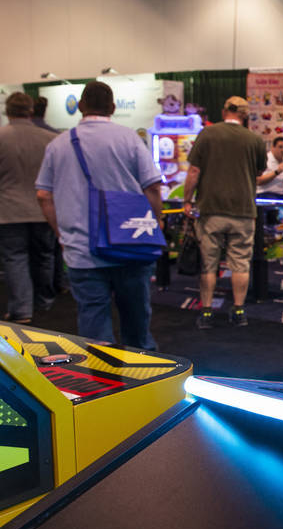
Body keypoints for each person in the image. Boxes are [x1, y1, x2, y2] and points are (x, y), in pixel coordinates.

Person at [35, 81, 163, 349]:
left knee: (94, 326)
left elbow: (44, 195)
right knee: (137, 323)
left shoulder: (58, 145)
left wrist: (62, 234)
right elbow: (152, 186)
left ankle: (100, 373)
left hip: (82, 250)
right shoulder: (129, 138)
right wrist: (156, 222)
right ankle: (143, 371)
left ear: (80, 106)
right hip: (130, 246)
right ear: (113, 107)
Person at [183, 96, 267, 329]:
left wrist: (187, 200)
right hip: (244, 210)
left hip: (211, 210)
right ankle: (239, 311)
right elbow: (259, 173)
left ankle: (206, 312)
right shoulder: (254, 139)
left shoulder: (207, 134)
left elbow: (193, 171)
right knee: (240, 264)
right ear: (245, 115)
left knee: (208, 264)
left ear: (224, 111)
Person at [0, 93, 58, 323]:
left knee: (15, 258)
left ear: (7, 111)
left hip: (9, 211)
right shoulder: (51, 139)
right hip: (44, 210)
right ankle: (45, 302)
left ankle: (22, 309)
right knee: (44, 255)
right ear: (31, 111)